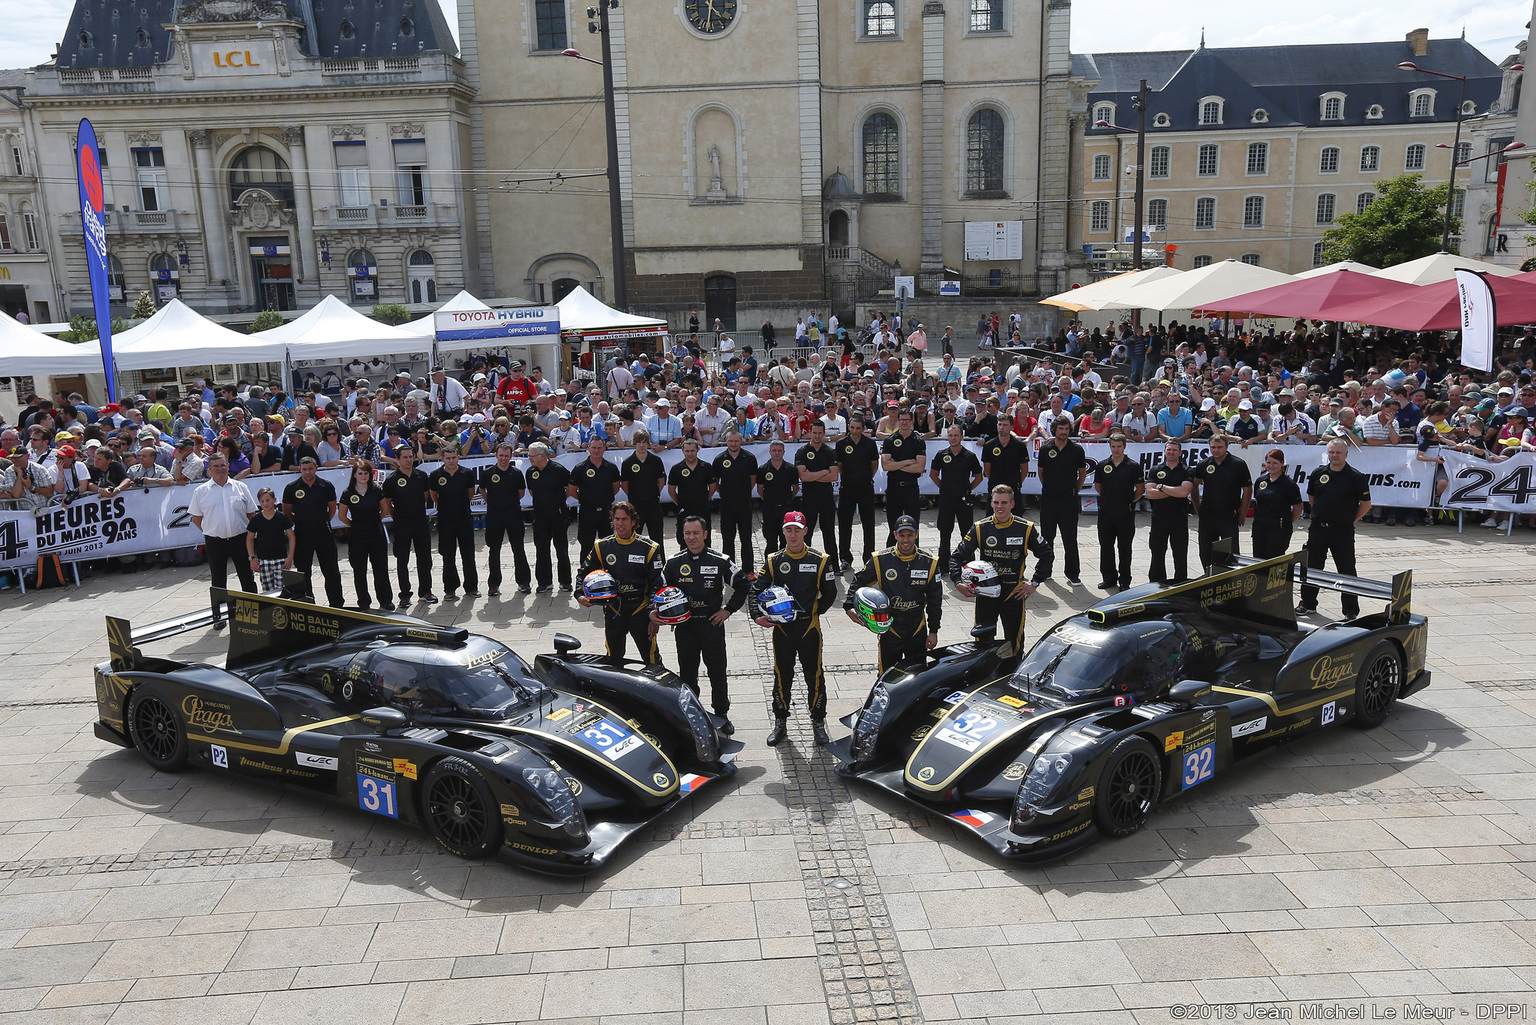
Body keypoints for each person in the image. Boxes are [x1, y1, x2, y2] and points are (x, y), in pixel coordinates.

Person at [755, 511, 839, 746]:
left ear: (805, 531)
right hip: (782, 630)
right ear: (783, 531)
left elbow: (830, 592)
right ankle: (780, 722)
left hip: (809, 629)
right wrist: (756, 615)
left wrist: (814, 612)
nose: (793, 534)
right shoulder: (774, 560)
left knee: (815, 676)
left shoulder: (820, 559)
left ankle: (818, 723)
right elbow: (757, 589)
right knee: (782, 676)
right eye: (788, 529)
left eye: (797, 529)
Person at [659, 514, 749, 734]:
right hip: (685, 628)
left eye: (696, 533)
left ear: (705, 535)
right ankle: (693, 716)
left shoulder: (720, 560)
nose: (691, 537)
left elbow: (744, 584)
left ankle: (722, 714)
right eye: (687, 533)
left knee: (717, 673)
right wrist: (659, 614)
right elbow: (658, 591)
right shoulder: (673, 563)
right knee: (687, 675)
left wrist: (727, 610)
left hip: (711, 626)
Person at [950, 485, 1047, 654]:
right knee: (982, 643)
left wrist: (1035, 582)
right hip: (986, 594)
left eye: (1004, 502)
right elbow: (956, 557)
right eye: (996, 502)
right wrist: (958, 582)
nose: (999, 507)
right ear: (991, 503)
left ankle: (1013, 672)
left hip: (1013, 594)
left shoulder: (1026, 528)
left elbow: (1047, 555)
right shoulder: (980, 528)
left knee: (1015, 642)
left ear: (1012, 504)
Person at [845, 515, 943, 672]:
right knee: (887, 678)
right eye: (902, 535)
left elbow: (935, 600)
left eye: (910, 535)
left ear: (916, 534)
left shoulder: (930, 562)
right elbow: (859, 580)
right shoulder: (880, 559)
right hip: (890, 628)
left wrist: (933, 631)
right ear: (895, 534)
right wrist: (849, 605)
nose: (906, 540)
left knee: (917, 678)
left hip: (917, 628)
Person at [1298, 438, 1372, 619]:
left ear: (1346, 454)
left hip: (1342, 531)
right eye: (1331, 452)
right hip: (1318, 529)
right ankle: (1307, 603)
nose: (1334, 456)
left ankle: (1350, 611)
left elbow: (1366, 504)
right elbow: (1312, 497)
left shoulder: (1356, 477)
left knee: (1347, 569)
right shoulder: (1318, 473)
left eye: (1338, 452)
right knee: (1312, 567)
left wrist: (1349, 520)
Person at [580, 501, 665, 661]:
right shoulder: (602, 546)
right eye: (616, 519)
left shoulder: (650, 547)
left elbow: (657, 583)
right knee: (613, 660)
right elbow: (583, 573)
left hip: (640, 611)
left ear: (633, 521)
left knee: (652, 659)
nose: (620, 523)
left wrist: (654, 611)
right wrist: (580, 595)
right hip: (614, 610)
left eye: (624, 519)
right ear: (612, 521)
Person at [189, 453, 258, 624]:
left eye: (223, 465)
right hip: (215, 542)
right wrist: (211, 530)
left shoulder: (241, 487)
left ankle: (253, 615)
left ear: (228, 466)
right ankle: (218, 617)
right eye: (216, 466)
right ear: (210, 469)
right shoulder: (201, 491)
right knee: (218, 580)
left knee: (247, 578)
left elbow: (251, 514)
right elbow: (196, 518)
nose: (220, 469)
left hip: (240, 540)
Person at [282, 456, 345, 607]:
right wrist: (298, 523)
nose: (307, 472)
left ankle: (336, 604)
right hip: (302, 533)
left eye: (310, 468)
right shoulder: (292, 487)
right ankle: (307, 603)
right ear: (300, 469)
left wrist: (323, 520)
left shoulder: (326, 485)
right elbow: (287, 510)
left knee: (331, 570)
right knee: (303, 572)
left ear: (316, 468)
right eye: (304, 469)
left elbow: (332, 508)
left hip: (323, 532)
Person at [1033, 416, 1086, 585]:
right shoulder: (1046, 448)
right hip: (1049, 498)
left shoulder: (1076, 449)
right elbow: (1041, 472)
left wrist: (1074, 490)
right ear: (1054, 429)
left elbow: (1082, 473)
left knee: (1069, 537)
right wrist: (1049, 488)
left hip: (1068, 499)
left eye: (1066, 429)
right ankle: (1045, 570)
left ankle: (1072, 573)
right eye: (1060, 429)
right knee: (1047, 537)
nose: (1063, 432)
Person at [472, 443, 530, 596]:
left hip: (513, 515)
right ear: (496, 455)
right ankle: (493, 584)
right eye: (501, 455)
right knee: (494, 550)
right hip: (494, 516)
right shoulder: (487, 473)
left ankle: (524, 582)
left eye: (506, 456)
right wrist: (492, 502)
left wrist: (508, 503)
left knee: (518, 549)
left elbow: (521, 493)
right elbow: (482, 490)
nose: (504, 459)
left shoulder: (516, 473)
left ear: (510, 456)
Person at [380, 446, 435, 607]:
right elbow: (388, 504)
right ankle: (405, 594)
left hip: (420, 522)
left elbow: (425, 497)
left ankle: (426, 591)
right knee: (402, 559)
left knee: (425, 558)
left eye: (411, 456)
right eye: (405, 457)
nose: (409, 460)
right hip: (402, 524)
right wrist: (396, 518)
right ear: (398, 459)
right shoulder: (391, 480)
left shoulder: (421, 476)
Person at [1191, 434, 1253, 570]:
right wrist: (1197, 507)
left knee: (1231, 553)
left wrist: (1243, 513)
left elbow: (1247, 490)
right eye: (1213, 447)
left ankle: (1231, 580)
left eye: (1219, 447)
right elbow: (1194, 486)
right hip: (1207, 516)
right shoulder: (1204, 464)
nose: (1216, 450)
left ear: (1227, 446)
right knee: (1206, 552)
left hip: (1228, 516)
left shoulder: (1238, 464)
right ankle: (1209, 578)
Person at [337, 459, 392, 610]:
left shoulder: (376, 490)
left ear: (370, 474)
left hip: (376, 535)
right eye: (360, 473)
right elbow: (342, 516)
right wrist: (355, 525)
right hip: (357, 537)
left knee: (380, 569)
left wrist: (374, 521)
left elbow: (385, 510)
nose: (363, 476)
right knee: (359, 571)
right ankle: (364, 602)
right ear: (354, 475)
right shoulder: (347, 493)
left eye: (366, 473)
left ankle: (385, 600)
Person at [1092, 432, 1144, 591]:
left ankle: (1124, 580)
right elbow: (1098, 486)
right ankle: (1109, 578)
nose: (1116, 450)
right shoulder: (1102, 465)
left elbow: (1140, 489)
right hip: (1106, 513)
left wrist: (1128, 501)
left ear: (1124, 446)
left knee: (1124, 548)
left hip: (1125, 514)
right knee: (1106, 546)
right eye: (1113, 446)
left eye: (1118, 446)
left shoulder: (1133, 466)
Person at [930, 424, 983, 570]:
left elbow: (979, 477)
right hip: (946, 499)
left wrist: (967, 489)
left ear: (961, 436)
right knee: (945, 533)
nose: (953, 438)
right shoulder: (941, 454)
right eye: (950, 435)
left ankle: (969, 564)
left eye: (956, 435)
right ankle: (943, 565)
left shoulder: (969, 456)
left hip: (963, 500)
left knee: (967, 533)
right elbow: (933, 474)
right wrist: (943, 487)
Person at [430, 448, 479, 599]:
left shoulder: (467, 473)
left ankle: (471, 587)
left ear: (458, 458)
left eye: (453, 458)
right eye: (448, 458)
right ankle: (450, 589)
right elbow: (434, 495)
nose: (451, 461)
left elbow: (470, 493)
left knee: (468, 555)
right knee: (448, 556)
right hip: (445, 520)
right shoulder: (436, 475)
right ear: (442, 459)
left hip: (464, 519)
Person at [525, 442, 573, 593]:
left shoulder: (558, 470)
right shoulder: (530, 472)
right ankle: (544, 582)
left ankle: (565, 581)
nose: (529, 458)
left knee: (561, 549)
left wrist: (557, 500)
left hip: (558, 514)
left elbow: (570, 488)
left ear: (542, 456)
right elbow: (532, 491)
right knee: (541, 549)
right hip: (540, 516)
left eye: (532, 455)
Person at [1145, 440, 1194, 586]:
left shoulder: (1187, 470)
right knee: (1157, 553)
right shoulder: (1156, 469)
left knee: (1179, 554)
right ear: (1164, 451)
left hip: (1179, 517)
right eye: (1169, 449)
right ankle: (1156, 583)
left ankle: (1180, 583)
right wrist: (1174, 491)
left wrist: (1161, 487)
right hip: (1159, 518)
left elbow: (1184, 492)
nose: (1171, 452)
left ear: (1180, 452)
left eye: (1174, 450)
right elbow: (1150, 494)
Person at [569, 436, 622, 571]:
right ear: (588, 448)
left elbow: (616, 488)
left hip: (606, 512)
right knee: (586, 546)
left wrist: (604, 498)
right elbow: (572, 490)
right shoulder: (580, 468)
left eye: (599, 448)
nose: (596, 450)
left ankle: (609, 574)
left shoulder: (611, 467)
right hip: (587, 512)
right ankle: (585, 575)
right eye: (593, 447)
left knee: (608, 545)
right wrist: (585, 500)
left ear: (604, 449)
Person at [836, 415, 880, 571]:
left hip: (866, 489)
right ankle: (845, 558)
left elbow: (874, 465)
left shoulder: (869, 444)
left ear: (863, 429)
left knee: (868, 525)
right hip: (847, 488)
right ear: (849, 427)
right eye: (852, 427)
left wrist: (865, 478)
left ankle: (868, 558)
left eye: (858, 428)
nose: (855, 431)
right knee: (844, 525)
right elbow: (839, 466)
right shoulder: (841, 444)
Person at [712, 429, 758, 573]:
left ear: (741, 441)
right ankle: (729, 570)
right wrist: (725, 493)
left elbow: (753, 480)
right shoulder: (719, 459)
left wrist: (742, 492)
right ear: (726, 441)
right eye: (730, 441)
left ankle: (749, 570)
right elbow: (715, 483)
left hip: (744, 504)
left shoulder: (749, 458)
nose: (733, 444)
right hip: (727, 505)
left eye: (736, 441)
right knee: (728, 539)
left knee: (746, 539)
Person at [881, 408, 927, 544]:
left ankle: (914, 556)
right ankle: (890, 556)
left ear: (911, 421)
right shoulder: (890, 440)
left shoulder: (918, 441)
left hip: (911, 488)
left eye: (907, 420)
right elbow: (886, 466)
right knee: (893, 527)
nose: (904, 423)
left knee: (913, 526)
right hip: (894, 488)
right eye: (902, 420)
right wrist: (908, 462)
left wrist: (897, 464)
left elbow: (920, 467)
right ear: (898, 420)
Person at [795, 420, 839, 555]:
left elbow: (834, 477)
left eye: (820, 433)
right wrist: (823, 472)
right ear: (810, 433)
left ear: (824, 434)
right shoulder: (802, 451)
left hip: (826, 497)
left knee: (829, 532)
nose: (817, 436)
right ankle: (805, 560)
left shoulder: (830, 452)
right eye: (814, 433)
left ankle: (833, 565)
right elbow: (803, 476)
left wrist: (812, 475)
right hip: (809, 497)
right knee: (807, 532)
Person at [1251, 448, 1304, 559]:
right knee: (1258, 560)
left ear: (1282, 464)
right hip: (1260, 528)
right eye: (1268, 462)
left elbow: (1298, 508)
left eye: (1275, 463)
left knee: (1274, 560)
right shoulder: (1261, 481)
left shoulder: (1289, 484)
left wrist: (1286, 522)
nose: (1271, 466)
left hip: (1278, 529)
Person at [244, 486, 294, 592]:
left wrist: (290, 557)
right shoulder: (256, 519)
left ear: (274, 500)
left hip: (281, 559)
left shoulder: (282, 517)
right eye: (262, 501)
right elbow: (249, 539)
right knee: (267, 591)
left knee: (282, 590)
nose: (265, 504)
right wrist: (252, 558)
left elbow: (291, 536)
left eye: (268, 500)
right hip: (263, 560)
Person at [667, 438, 716, 544]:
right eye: (687, 451)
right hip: (685, 510)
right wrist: (680, 503)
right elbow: (671, 490)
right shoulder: (676, 469)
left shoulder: (706, 467)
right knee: (684, 541)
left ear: (698, 450)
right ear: (682, 450)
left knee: (705, 540)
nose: (690, 454)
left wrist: (705, 499)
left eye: (692, 451)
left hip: (702, 509)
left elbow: (712, 486)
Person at [757, 439, 798, 557]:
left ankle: (786, 565)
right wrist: (769, 499)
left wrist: (788, 499)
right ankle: (770, 567)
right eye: (774, 450)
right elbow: (760, 489)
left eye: (779, 450)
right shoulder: (763, 469)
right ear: (769, 451)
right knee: (771, 541)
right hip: (770, 509)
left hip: (786, 509)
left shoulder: (791, 469)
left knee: (786, 539)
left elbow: (795, 488)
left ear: (784, 452)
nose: (777, 453)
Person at [981, 417, 1029, 499]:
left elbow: (1024, 470)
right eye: (999, 424)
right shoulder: (989, 446)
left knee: (1015, 512)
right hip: (995, 487)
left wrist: (1017, 482)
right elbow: (987, 470)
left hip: (1013, 487)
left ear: (1011, 427)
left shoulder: (1019, 446)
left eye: (1005, 425)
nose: (1001, 428)